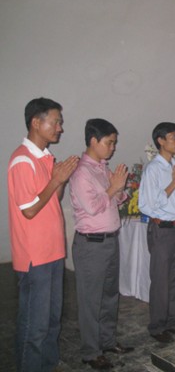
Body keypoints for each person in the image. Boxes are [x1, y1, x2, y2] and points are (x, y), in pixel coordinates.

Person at [7, 97, 79, 372]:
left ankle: (48, 365)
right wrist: (55, 180)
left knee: (51, 320)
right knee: (34, 325)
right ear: (36, 122)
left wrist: (59, 180)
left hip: (52, 250)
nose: (60, 128)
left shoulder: (45, 157)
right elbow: (29, 210)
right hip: (34, 256)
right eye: (56, 122)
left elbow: (53, 198)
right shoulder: (22, 160)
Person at [69, 119, 134, 369]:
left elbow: (116, 198)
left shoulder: (102, 168)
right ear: (93, 141)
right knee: (90, 301)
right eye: (109, 142)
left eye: (114, 143)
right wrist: (113, 188)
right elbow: (93, 206)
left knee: (109, 296)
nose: (113, 148)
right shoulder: (81, 172)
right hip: (91, 245)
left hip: (109, 241)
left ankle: (107, 341)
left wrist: (120, 189)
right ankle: (91, 351)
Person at [139, 122, 175, 343]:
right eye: (174, 137)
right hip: (162, 230)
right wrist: (174, 182)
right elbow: (147, 205)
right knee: (161, 280)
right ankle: (157, 326)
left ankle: (171, 321)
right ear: (161, 141)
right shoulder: (153, 169)